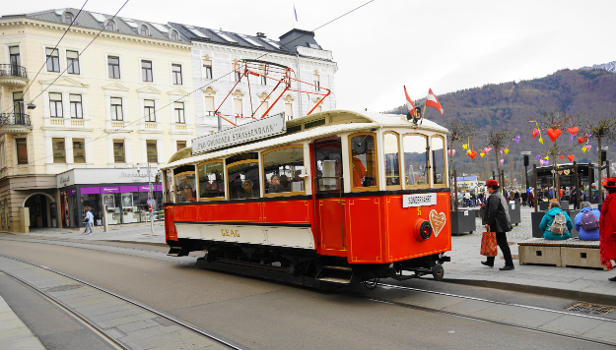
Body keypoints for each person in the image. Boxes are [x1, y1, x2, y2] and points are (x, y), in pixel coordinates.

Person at [481, 179, 514, 270]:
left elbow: (493, 212)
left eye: (488, 187)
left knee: (503, 244)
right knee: (493, 242)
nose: (487, 189)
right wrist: (485, 206)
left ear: (491, 187)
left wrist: (488, 223)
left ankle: (509, 264)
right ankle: (490, 261)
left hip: (498, 224)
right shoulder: (499, 195)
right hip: (500, 224)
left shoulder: (494, 197)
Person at [599, 177, 616, 281]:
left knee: (613, 251)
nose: (605, 191)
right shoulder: (612, 198)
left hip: (612, 232)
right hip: (610, 231)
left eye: (606, 189)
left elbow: (614, 216)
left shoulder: (613, 199)